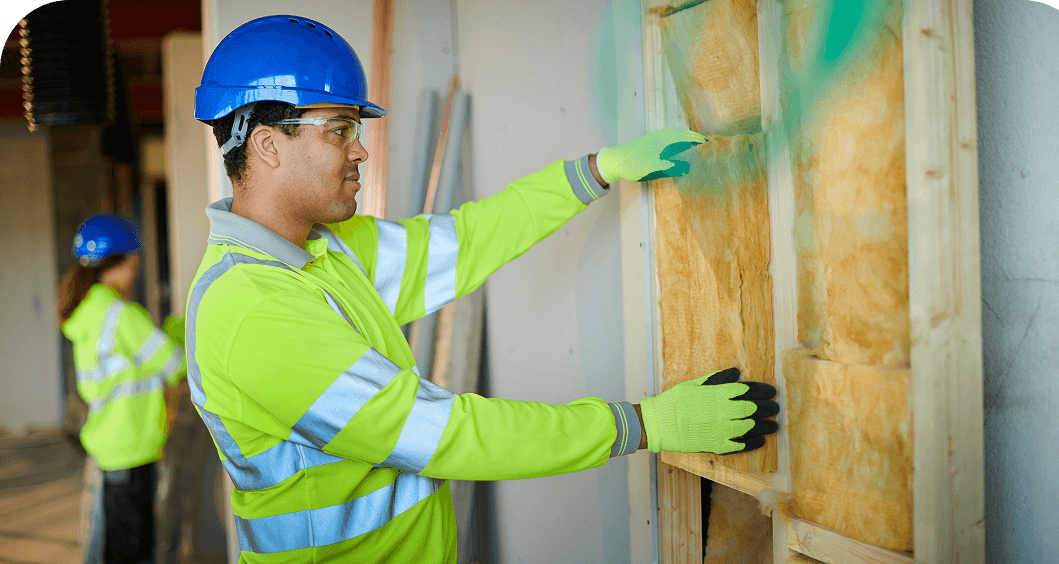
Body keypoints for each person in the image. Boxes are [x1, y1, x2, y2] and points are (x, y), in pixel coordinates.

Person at [187, 14, 779, 563]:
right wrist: (640, 425)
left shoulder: (325, 250)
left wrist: (596, 170)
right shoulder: (253, 313)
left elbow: (466, 242)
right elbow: (446, 434)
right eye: (339, 129)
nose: (361, 148)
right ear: (267, 143)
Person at [57, 213, 187, 564]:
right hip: (132, 447)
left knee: (116, 544)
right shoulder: (121, 314)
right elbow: (175, 366)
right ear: (127, 262)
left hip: (111, 444)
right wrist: (181, 326)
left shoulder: (90, 311)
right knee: (132, 548)